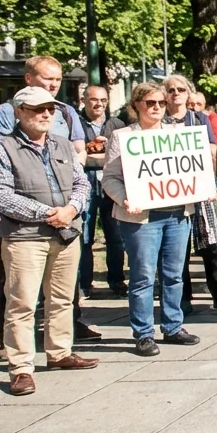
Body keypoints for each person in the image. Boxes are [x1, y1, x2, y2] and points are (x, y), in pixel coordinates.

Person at [0, 86, 98, 396]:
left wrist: (72, 209)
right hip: (24, 237)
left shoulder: (63, 145)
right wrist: (49, 213)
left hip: (65, 233)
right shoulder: (1, 147)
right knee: (22, 303)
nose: (46, 114)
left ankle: (59, 352)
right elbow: (0, 195)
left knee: (62, 298)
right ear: (19, 112)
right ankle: (21, 368)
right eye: (38, 109)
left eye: (50, 109)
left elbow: (81, 183)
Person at [102, 83, 203, 356]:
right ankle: (144, 334)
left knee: (174, 275)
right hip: (140, 219)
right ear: (136, 106)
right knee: (143, 276)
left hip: (177, 214)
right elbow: (109, 178)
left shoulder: (177, 134)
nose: (157, 107)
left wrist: (204, 188)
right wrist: (124, 198)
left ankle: (173, 327)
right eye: (150, 102)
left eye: (161, 102)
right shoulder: (123, 137)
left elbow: (193, 169)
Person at [161, 74, 217, 313]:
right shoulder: (159, 120)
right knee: (176, 249)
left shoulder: (199, 119)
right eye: (171, 90)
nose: (176, 93)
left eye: (181, 89)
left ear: (188, 93)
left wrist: (210, 185)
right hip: (170, 194)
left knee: (211, 244)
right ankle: (182, 299)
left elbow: (211, 153)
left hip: (199, 190)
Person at [78, 85, 121, 296]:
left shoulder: (116, 124)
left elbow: (121, 158)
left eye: (103, 100)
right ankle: (84, 283)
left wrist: (92, 158)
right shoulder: (74, 123)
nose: (99, 104)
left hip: (111, 187)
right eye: (94, 100)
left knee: (116, 236)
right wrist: (87, 149)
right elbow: (74, 155)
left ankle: (117, 280)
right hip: (85, 186)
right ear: (84, 100)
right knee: (85, 236)